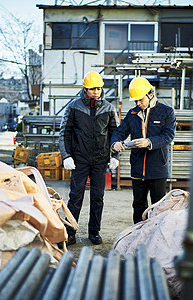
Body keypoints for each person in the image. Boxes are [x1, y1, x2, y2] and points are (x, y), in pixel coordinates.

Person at [59, 71, 120, 245]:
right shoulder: (74, 107)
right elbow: (65, 132)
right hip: (79, 160)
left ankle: (94, 231)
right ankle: (70, 232)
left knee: (98, 197)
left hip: (100, 160)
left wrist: (115, 155)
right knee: (75, 196)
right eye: (93, 88)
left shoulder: (109, 108)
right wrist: (66, 156)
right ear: (85, 88)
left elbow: (115, 133)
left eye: (99, 88)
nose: (96, 91)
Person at [111, 77, 176, 224]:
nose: (138, 103)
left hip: (158, 169)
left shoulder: (166, 112)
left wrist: (149, 142)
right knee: (138, 206)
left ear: (150, 94)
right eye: (135, 101)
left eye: (140, 100)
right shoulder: (132, 114)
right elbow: (119, 132)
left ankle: (156, 236)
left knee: (158, 207)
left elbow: (168, 136)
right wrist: (115, 143)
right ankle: (137, 234)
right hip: (138, 169)